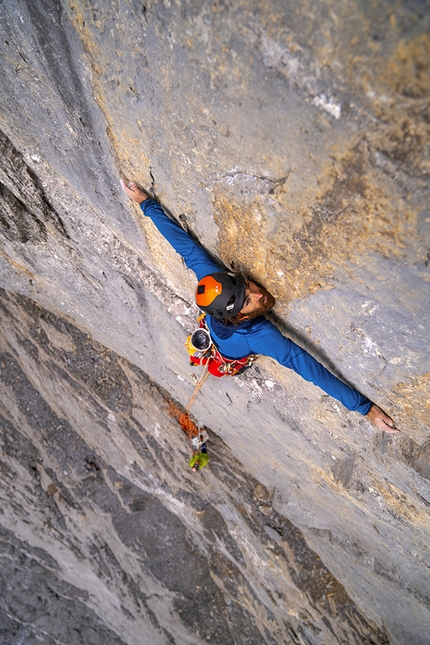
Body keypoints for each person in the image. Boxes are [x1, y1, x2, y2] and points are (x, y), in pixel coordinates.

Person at [121, 179, 399, 434]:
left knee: (216, 364)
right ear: (238, 316)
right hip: (230, 354)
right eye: (249, 301)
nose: (260, 295)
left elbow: (185, 246)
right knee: (220, 369)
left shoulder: (215, 281)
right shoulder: (260, 336)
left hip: (217, 333)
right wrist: (365, 408)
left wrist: (147, 203)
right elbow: (306, 366)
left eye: (248, 287)